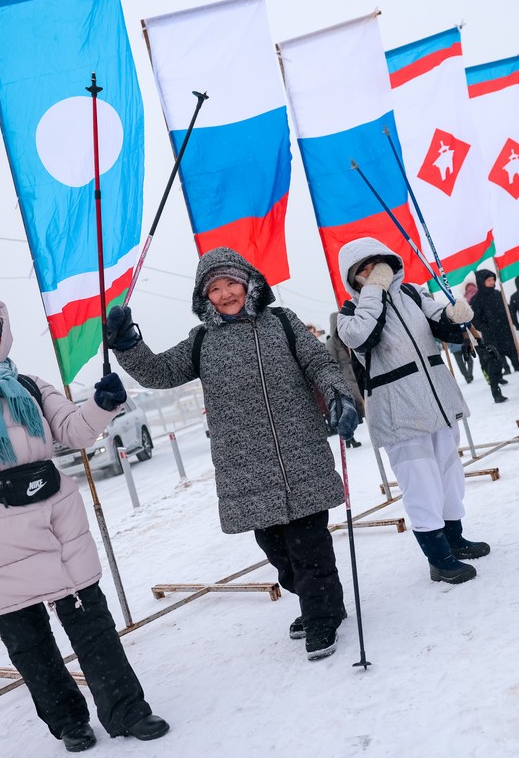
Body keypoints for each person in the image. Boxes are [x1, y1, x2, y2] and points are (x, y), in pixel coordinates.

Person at [0, 293, 169, 753]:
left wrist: (101, 406)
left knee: (92, 623)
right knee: (28, 643)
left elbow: (74, 430)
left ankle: (128, 711)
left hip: (53, 521)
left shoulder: (28, 384)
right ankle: (68, 722)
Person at [104, 247, 357, 661]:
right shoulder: (203, 341)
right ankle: (323, 600)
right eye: (214, 289)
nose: (224, 294)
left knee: (308, 544)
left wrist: (338, 396)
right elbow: (161, 372)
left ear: (249, 282)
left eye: (230, 284)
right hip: (246, 467)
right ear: (205, 298)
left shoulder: (282, 323)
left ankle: (320, 616)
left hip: (301, 453)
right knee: (277, 550)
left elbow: (319, 364)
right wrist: (129, 344)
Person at [335, 237, 489, 584]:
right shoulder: (349, 315)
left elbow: (445, 327)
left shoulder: (414, 295)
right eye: (366, 268)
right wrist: (373, 292)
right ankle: (438, 557)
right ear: (353, 276)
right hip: (399, 408)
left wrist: (457, 315)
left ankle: (455, 538)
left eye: (380, 264)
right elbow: (363, 337)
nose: (377, 272)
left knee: (450, 473)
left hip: (438, 400)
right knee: (421, 482)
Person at [468, 267, 519, 403]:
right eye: (489, 280)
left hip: (506, 335)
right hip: (492, 339)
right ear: (481, 282)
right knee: (495, 366)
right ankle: (496, 393)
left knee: (518, 360)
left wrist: (509, 316)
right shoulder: (476, 300)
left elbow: (507, 309)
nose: (492, 283)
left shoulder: (498, 294)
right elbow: (475, 320)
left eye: (493, 280)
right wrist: (487, 328)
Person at [326, 311, 364, 447]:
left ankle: (350, 438)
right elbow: (331, 362)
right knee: (348, 408)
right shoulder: (331, 343)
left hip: (354, 376)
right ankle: (348, 438)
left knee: (358, 406)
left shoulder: (347, 339)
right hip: (343, 379)